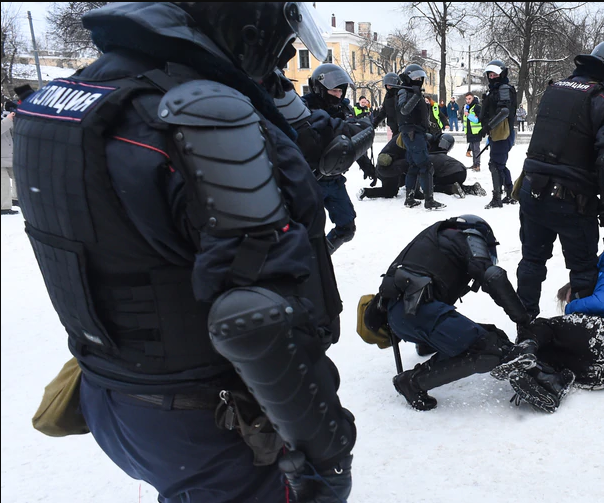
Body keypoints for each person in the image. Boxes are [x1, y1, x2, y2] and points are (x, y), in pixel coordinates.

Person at [12, 3, 356, 501]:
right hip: (211, 419)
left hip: (116, 396)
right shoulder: (202, 119)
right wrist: (325, 452)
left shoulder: (75, 96)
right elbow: (255, 317)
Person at [516, 39, 604, 317]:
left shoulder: (557, 87)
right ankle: (580, 329)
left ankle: (525, 325)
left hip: (532, 189)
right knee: (582, 267)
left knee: (532, 261)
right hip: (572, 198)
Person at [370, 215, 534, 410]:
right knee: (489, 349)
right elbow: (492, 276)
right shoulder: (469, 236)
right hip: (415, 313)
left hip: (402, 316)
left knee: (495, 336)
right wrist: (523, 320)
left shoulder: (437, 238)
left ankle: (427, 345)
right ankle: (412, 382)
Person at [509, 252, 604, 412]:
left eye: (569, 297)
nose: (571, 304)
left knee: (544, 326)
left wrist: (570, 308)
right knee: (556, 355)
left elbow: (602, 302)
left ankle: (521, 348)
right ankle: (550, 384)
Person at [302, 63, 376, 254]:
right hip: (310, 182)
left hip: (334, 179)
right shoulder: (303, 108)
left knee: (347, 229)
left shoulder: (343, 109)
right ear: (320, 89)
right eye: (334, 91)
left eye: (341, 91)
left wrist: (367, 165)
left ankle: (321, 258)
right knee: (307, 233)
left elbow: (354, 141)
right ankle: (309, 266)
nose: (339, 96)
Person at [360, 132, 486, 200]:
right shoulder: (418, 142)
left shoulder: (409, 139)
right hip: (458, 170)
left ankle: (366, 192)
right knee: (422, 176)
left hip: (386, 169)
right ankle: (415, 193)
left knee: (391, 191)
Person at [397, 64, 446, 210]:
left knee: (413, 166)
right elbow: (404, 110)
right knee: (426, 166)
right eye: (415, 78)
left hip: (416, 133)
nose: (418, 80)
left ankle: (410, 198)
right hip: (412, 133)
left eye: (420, 78)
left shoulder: (412, 91)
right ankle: (429, 200)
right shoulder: (405, 92)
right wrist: (416, 96)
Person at [479, 60, 518, 209]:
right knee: (500, 164)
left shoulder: (503, 88)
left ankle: (497, 198)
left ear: (502, 74)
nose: (493, 76)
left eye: (495, 74)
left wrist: (488, 126)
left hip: (502, 131)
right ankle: (509, 192)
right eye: (490, 74)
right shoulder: (494, 89)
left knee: (495, 164)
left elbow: (504, 111)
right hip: (498, 132)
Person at [1, 109, 16, 215]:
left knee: (19, 176)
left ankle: (16, 198)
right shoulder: (5, 118)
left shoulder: (3, 115)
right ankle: (4, 207)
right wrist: (8, 120)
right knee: (3, 182)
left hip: (8, 155)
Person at [464, 92, 483, 172]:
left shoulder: (477, 107)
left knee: (476, 149)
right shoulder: (467, 107)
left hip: (476, 131)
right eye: (466, 99)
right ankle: (474, 164)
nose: (468, 101)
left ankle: (477, 165)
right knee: (472, 148)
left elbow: (478, 119)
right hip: (469, 131)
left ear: (473, 98)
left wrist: (469, 115)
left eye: (469, 99)